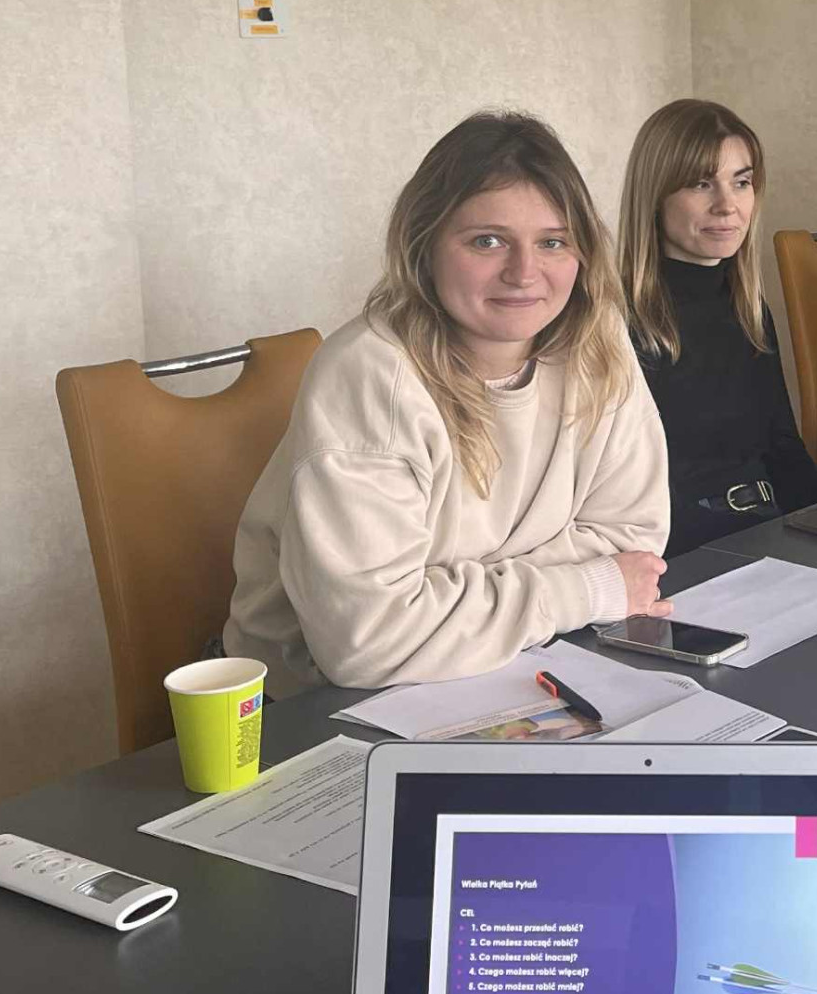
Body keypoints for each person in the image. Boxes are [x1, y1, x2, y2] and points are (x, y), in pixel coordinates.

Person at [224, 112, 672, 696]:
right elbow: (368, 642)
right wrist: (588, 587)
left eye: (553, 242)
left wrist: (444, 599)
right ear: (424, 245)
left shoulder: (598, 339)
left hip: (520, 661)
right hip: (317, 706)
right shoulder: (369, 374)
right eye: (488, 241)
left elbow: (634, 540)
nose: (525, 273)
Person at [618, 99, 817, 556]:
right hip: (681, 550)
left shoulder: (747, 306)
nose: (727, 206)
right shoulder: (620, 320)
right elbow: (633, 490)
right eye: (700, 183)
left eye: (741, 182)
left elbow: (783, 446)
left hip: (766, 528)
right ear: (655, 195)